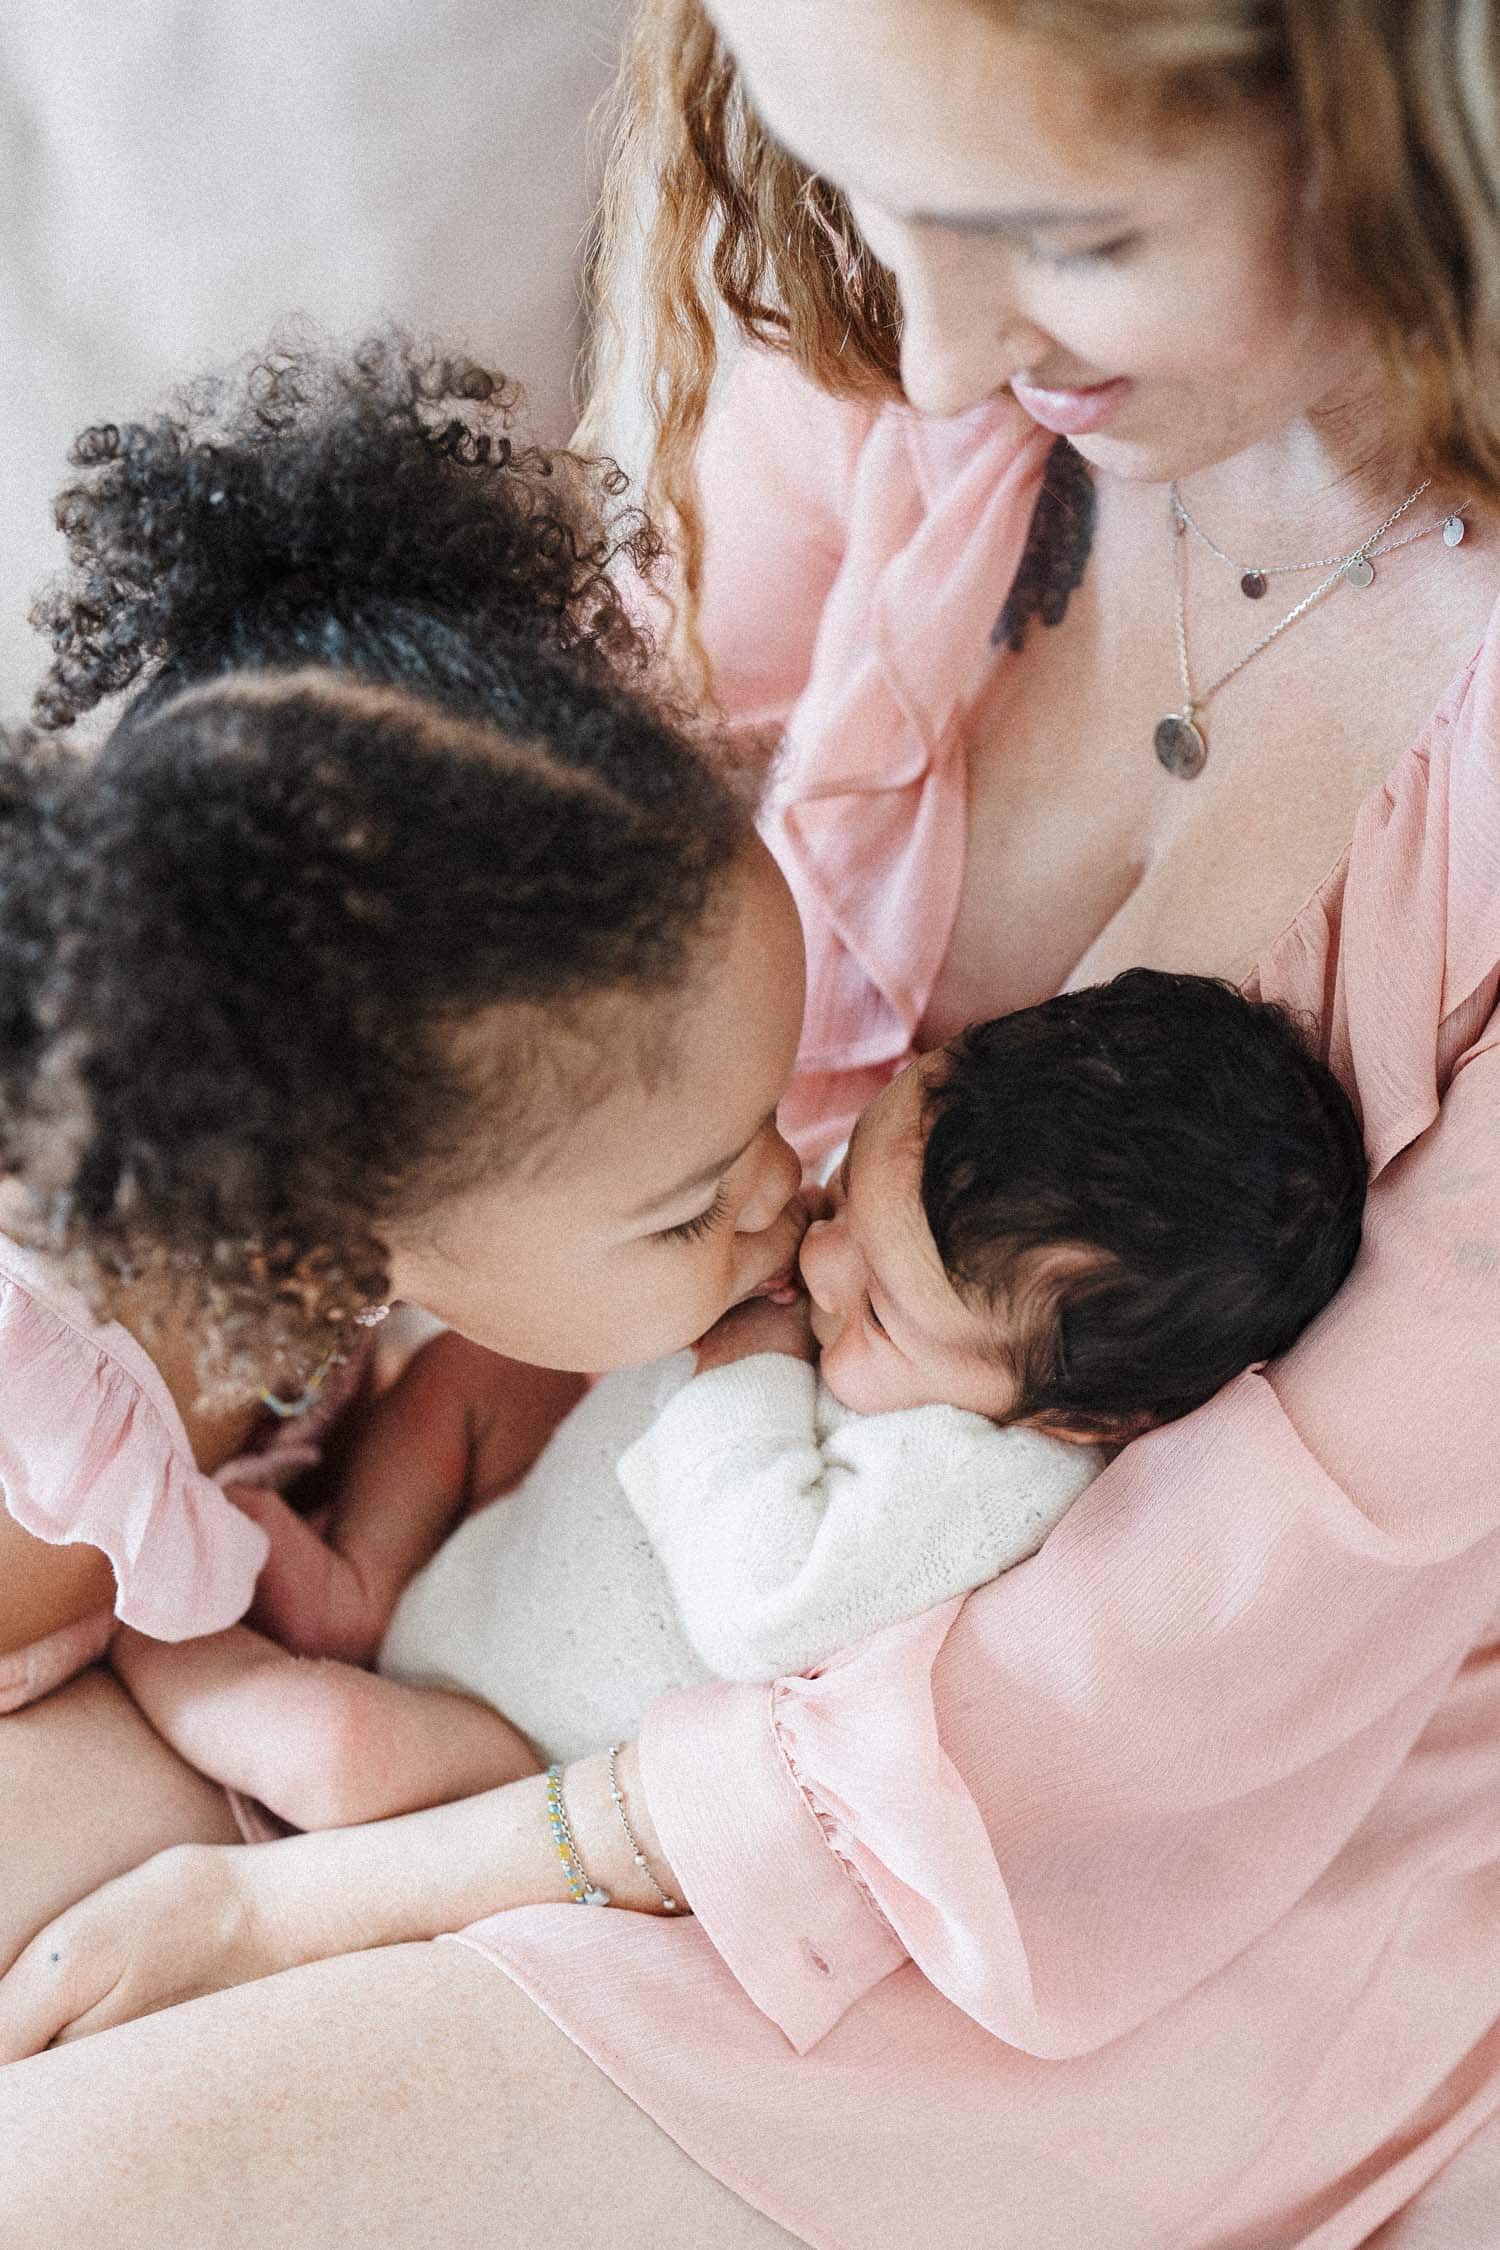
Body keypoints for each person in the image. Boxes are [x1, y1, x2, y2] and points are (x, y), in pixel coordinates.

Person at [2, 4, 1498, 2246]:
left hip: (1074, 1851)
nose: (935, 346)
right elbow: (525, 998)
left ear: (1424, 126)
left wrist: (312, 1908)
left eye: (1062, 233)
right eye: (879, 190)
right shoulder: (868, 347)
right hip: (525, 1554)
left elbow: (1155, 1689)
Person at [114, 967, 1363, 1827]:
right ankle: (361, 1580)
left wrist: (744, 1368)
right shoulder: (954, 1330)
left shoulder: (989, 1480)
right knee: (479, 1371)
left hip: (512, 1730)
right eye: (843, 1192)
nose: (816, 1264)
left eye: (876, 1308)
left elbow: (761, 1608)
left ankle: (150, 1641)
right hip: (498, 1551)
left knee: (342, 1759)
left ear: (1078, 1416)